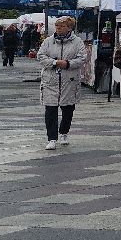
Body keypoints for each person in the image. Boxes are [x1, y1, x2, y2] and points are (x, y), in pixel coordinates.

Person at [35, 15, 86, 149]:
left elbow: (82, 58)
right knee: (50, 109)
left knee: (68, 109)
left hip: (69, 80)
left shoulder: (77, 42)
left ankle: (64, 132)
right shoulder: (48, 41)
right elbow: (40, 56)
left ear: (70, 28)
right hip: (50, 79)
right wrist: (54, 62)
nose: (58, 29)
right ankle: (51, 138)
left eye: (62, 26)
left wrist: (68, 63)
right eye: (57, 26)